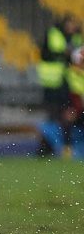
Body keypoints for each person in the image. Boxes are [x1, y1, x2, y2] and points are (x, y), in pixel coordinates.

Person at [37, 14, 82, 157]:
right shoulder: (54, 34)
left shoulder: (76, 38)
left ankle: (57, 147)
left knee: (64, 116)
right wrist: (64, 54)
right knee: (59, 116)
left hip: (69, 86)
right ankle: (55, 148)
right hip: (55, 84)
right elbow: (46, 54)